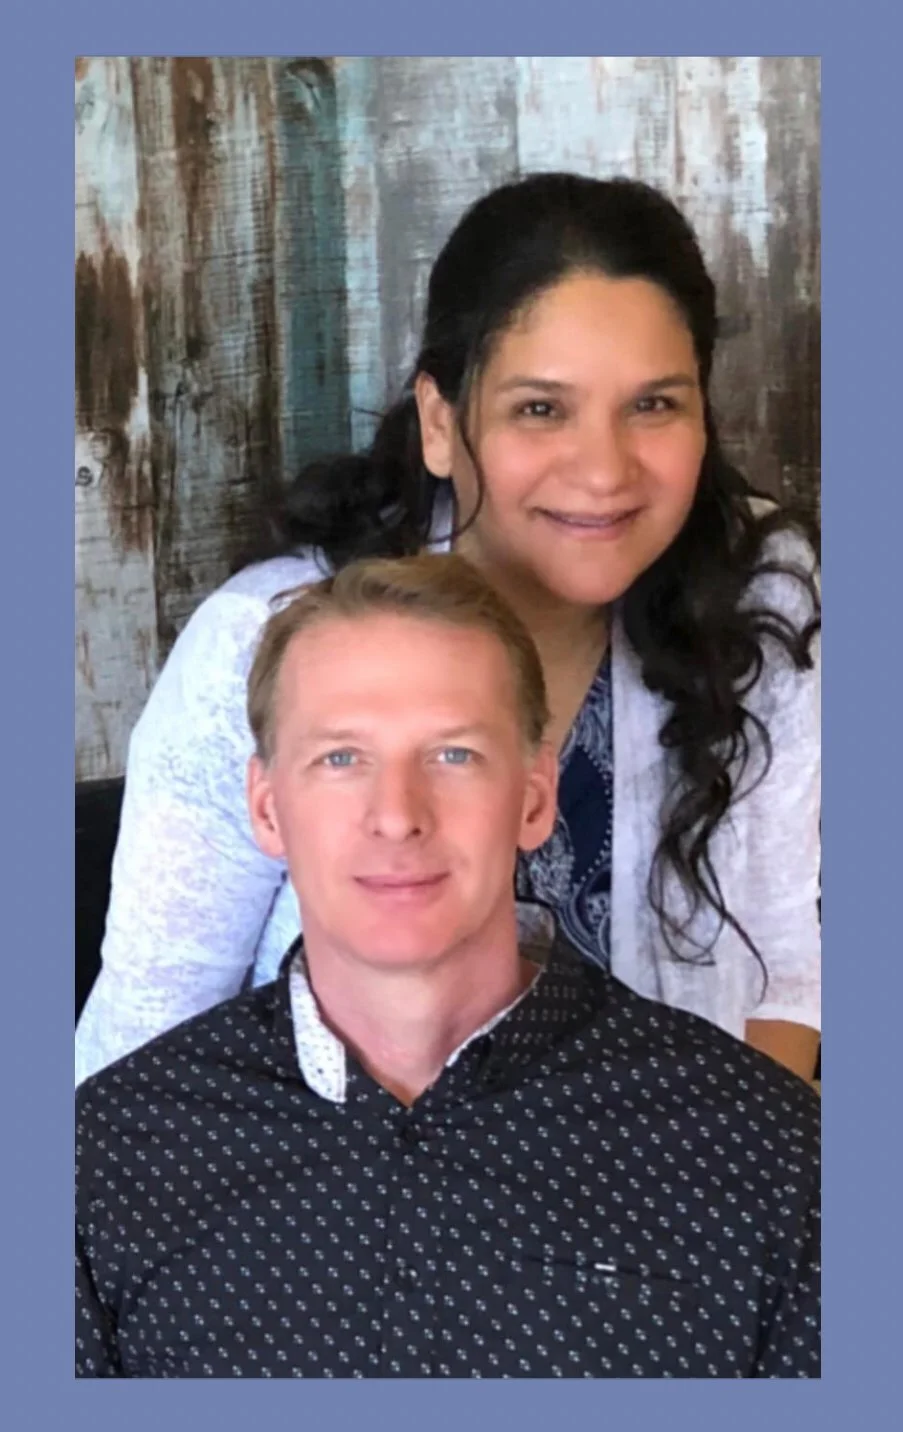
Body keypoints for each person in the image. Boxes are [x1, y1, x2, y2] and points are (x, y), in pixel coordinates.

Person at [75, 172, 821, 1086]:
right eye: (540, 409)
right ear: (441, 420)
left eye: (654, 404)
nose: (603, 471)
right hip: (324, 1202)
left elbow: (785, 969)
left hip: (659, 1195)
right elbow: (141, 1051)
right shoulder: (269, 641)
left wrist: (741, 1190)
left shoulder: (754, 593)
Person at [75, 555, 821, 1380]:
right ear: (266, 808)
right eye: (340, 758)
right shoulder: (103, 1162)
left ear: (533, 796)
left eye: (454, 755)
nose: (397, 815)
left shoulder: (768, 1152)